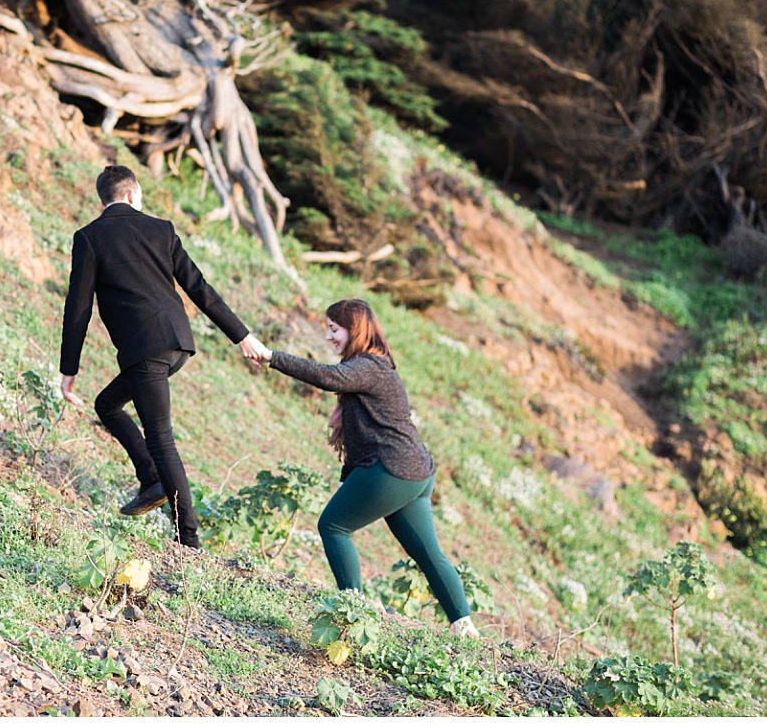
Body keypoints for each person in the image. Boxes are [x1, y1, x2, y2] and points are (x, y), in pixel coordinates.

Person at [59, 165, 269, 548]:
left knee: (160, 438)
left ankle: (187, 539)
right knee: (107, 405)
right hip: (176, 343)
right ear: (132, 194)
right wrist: (243, 337)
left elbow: (78, 307)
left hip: (145, 349)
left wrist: (68, 368)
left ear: (104, 200)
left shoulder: (89, 238)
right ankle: (150, 478)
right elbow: (200, 288)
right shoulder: (161, 229)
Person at [247, 298, 480, 637]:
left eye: (334, 329)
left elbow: (327, 377)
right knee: (429, 554)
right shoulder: (375, 366)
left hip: (392, 469)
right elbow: (362, 434)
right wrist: (349, 479)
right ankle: (465, 628)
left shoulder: (369, 366)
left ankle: (352, 611)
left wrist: (272, 357)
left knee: (333, 526)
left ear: (354, 330)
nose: (329, 337)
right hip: (416, 472)